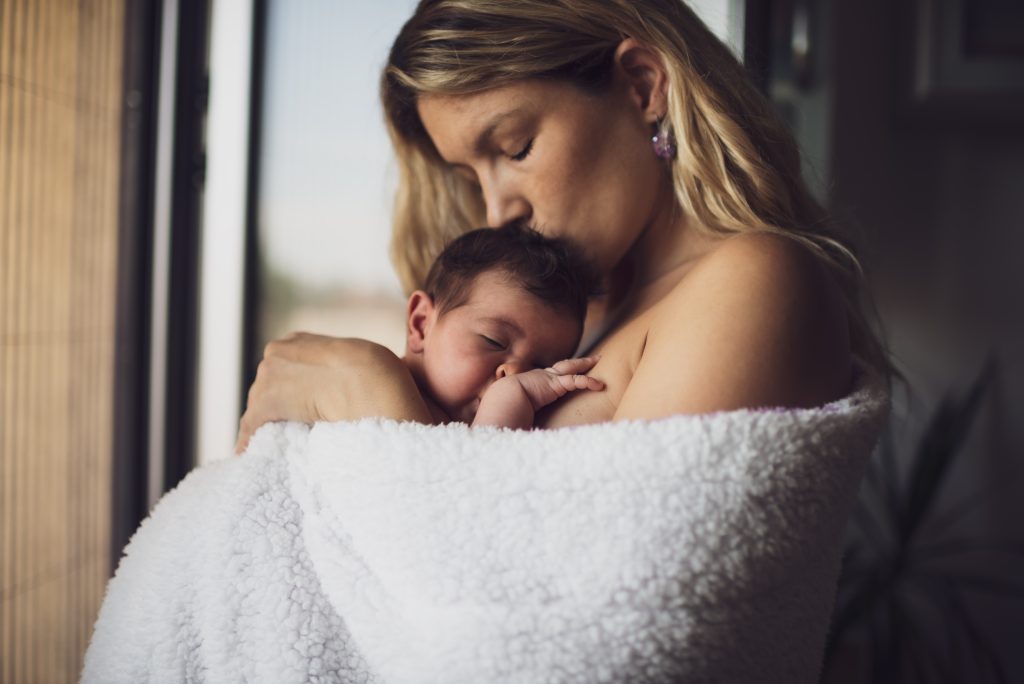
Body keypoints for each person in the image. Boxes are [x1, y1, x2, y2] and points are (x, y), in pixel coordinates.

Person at [235, 0, 892, 453]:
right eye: (471, 176)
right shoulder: (579, 317)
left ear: (641, 85)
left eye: (516, 147)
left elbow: (594, 629)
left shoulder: (752, 283)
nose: (498, 211)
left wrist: (371, 396)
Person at [297, 224, 605, 431]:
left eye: (541, 367)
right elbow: (463, 474)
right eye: (494, 341)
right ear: (421, 323)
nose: (515, 374)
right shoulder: (372, 401)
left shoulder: (457, 431)